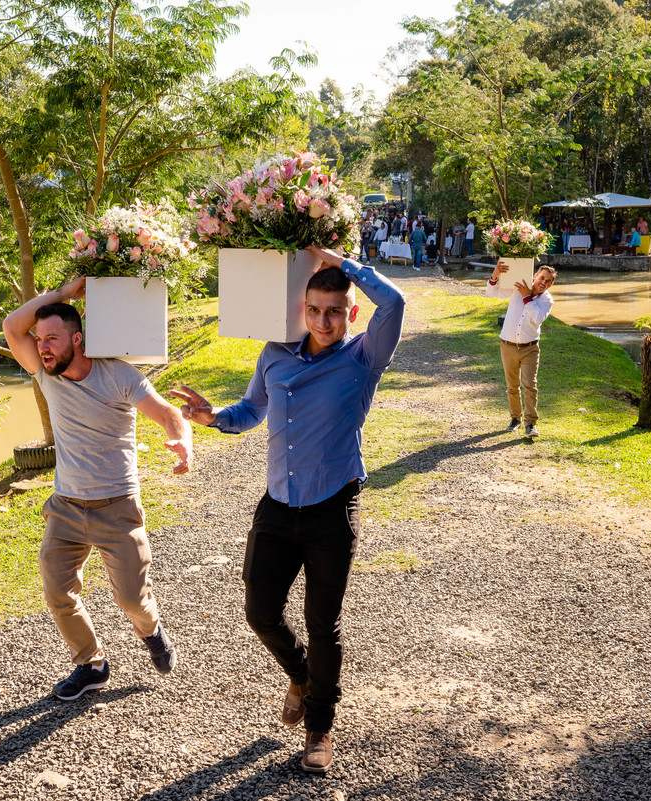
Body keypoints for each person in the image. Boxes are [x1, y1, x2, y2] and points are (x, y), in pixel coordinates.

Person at [169, 246, 405, 775]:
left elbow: (397, 303)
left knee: (323, 623)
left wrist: (348, 264)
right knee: (260, 612)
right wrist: (212, 419)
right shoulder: (275, 354)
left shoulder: (365, 358)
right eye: (315, 310)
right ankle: (300, 675)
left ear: (351, 313)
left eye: (335, 311)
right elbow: (253, 408)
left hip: (332, 507)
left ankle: (320, 725)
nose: (324, 321)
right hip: (277, 504)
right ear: (302, 308)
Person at [3, 279, 193, 701]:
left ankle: (152, 630)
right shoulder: (46, 375)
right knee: (57, 591)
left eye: (51, 338)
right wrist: (65, 293)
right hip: (67, 505)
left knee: (132, 599)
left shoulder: (120, 376)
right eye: (40, 340)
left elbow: (166, 414)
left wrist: (182, 440)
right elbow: (11, 326)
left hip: (117, 506)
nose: (42, 346)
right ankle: (92, 664)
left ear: (77, 339)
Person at [484, 262, 556, 439]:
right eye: (541, 278)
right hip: (507, 345)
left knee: (530, 386)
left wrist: (527, 298)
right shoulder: (518, 287)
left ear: (550, 284)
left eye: (547, 281)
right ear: (535, 276)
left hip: (530, 348)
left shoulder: (547, 300)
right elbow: (491, 293)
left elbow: (538, 318)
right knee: (512, 386)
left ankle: (530, 424)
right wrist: (496, 273)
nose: (543, 282)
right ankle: (515, 418)